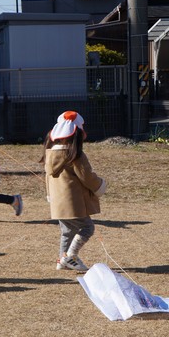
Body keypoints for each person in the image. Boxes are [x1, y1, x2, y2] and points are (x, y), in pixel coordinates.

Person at [42, 111, 106, 272]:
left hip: (58, 203)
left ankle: (62, 260)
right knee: (88, 228)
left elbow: (48, 178)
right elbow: (87, 176)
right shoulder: (75, 155)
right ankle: (70, 256)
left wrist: (49, 195)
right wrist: (100, 185)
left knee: (67, 232)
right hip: (73, 203)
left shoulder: (50, 154)